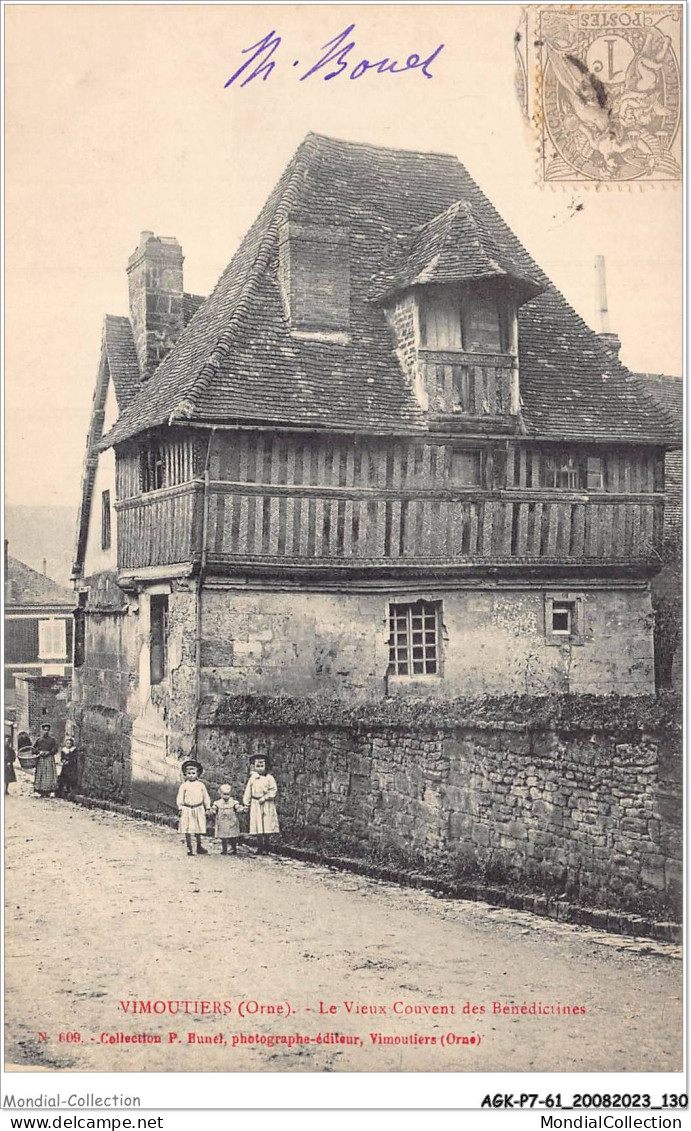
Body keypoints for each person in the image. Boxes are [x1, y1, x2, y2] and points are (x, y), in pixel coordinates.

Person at [243, 754, 280, 853]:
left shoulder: (270, 778)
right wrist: (246, 803)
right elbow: (248, 791)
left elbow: (273, 791)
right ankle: (260, 845)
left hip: (267, 804)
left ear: (266, 766)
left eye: (261, 766)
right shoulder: (253, 779)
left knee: (267, 824)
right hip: (256, 804)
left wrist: (265, 797)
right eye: (257, 766)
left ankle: (267, 845)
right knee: (258, 824)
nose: (259, 769)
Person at [176, 759, 211, 856]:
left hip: (198, 808)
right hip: (187, 809)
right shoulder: (184, 786)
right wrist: (180, 807)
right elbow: (180, 797)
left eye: (193, 773)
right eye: (189, 773)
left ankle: (199, 846)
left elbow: (205, 797)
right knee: (187, 828)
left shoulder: (201, 785)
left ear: (197, 774)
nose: (191, 775)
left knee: (198, 828)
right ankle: (189, 847)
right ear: (185, 774)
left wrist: (207, 807)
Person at [211, 784, 244, 855]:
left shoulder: (233, 802)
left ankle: (234, 848)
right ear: (220, 794)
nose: (226, 796)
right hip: (222, 821)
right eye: (224, 794)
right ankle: (224, 849)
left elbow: (237, 807)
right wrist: (213, 811)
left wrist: (240, 809)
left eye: (228, 794)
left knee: (233, 835)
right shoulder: (218, 802)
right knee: (223, 836)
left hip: (231, 820)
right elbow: (214, 808)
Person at [32, 723, 59, 797]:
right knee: (40, 774)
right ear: (42, 730)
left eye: (47, 730)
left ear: (49, 731)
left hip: (49, 758)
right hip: (41, 759)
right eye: (44, 730)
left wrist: (49, 752)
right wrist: (39, 752)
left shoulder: (53, 740)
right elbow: (33, 749)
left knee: (50, 774)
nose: (46, 731)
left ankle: (50, 791)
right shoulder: (38, 740)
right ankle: (38, 790)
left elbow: (55, 749)